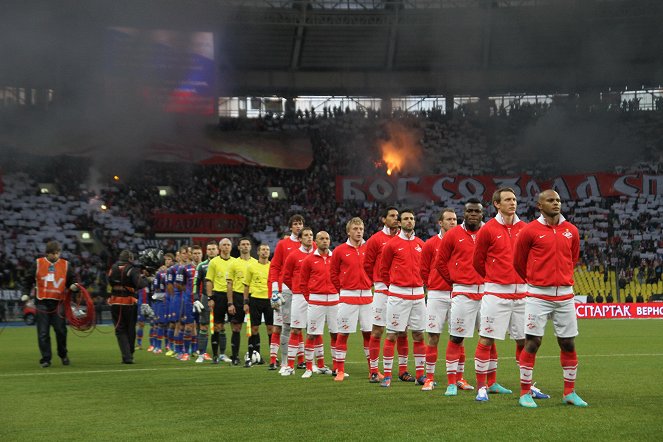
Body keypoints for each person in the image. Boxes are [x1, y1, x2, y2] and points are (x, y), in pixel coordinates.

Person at [472, 187, 549, 402]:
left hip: (523, 295)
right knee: (486, 339)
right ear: (497, 204)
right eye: (507, 199)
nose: (512, 203)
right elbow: (478, 262)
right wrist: (496, 278)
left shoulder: (526, 229)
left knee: (524, 341)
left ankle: (528, 385)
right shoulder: (487, 229)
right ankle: (481, 387)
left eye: (514, 199)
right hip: (496, 293)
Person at [513, 189, 588, 408]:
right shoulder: (529, 231)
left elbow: (572, 258)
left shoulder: (571, 230)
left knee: (568, 342)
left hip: (565, 295)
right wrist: (536, 280)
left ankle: (569, 392)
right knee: (533, 342)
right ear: (539, 205)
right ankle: (525, 393)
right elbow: (519, 262)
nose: (556, 203)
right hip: (537, 295)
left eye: (558, 200)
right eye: (550, 200)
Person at [435, 198, 485, 397]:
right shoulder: (453, 234)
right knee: (456, 337)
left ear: (482, 213)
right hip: (463, 291)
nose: (473, 214)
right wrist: (454, 281)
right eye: (470, 211)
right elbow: (440, 263)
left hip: (487, 291)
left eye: (477, 211)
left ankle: (491, 383)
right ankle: (451, 383)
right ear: (464, 213)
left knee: (489, 337)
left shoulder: (488, 232)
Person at [378, 209, 426, 388]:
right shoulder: (392, 244)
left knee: (419, 334)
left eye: (412, 219)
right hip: (398, 295)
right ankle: (388, 375)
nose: (409, 221)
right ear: (399, 222)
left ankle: (420, 375)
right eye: (405, 219)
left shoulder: (421, 243)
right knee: (392, 334)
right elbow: (384, 270)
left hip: (419, 295)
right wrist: (395, 285)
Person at [364, 206, 407, 383]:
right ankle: (374, 371)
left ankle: (403, 371)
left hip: (400, 289)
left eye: (397, 216)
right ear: (383, 219)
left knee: (402, 331)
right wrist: (377, 281)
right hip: (382, 290)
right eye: (391, 216)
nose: (396, 218)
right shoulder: (375, 240)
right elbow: (367, 265)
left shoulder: (405, 238)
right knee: (377, 330)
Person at [330, 217, 373, 382]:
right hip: (348, 296)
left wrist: (370, 283)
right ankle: (340, 371)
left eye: (361, 228)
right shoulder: (340, 250)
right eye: (355, 229)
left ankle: (373, 370)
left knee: (369, 334)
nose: (358, 231)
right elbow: (333, 274)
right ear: (348, 231)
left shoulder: (369, 248)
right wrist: (342, 288)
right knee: (343, 334)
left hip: (368, 296)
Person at [419, 208, 457, 391]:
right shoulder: (430, 244)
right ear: (440, 223)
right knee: (433, 336)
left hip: (458, 294)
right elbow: (424, 270)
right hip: (437, 295)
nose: (453, 222)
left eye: (455, 219)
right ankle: (429, 378)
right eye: (449, 219)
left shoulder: (461, 242)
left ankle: (459, 378)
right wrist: (432, 285)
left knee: (458, 337)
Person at [25, 240, 77, 368]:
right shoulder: (38, 263)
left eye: (57, 253)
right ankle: (46, 358)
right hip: (42, 302)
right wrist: (25, 293)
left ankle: (63, 354)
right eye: (53, 254)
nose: (55, 256)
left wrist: (73, 286)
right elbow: (27, 279)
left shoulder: (66, 265)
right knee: (43, 333)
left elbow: (72, 280)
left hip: (58, 303)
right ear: (47, 254)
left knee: (61, 331)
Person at [267, 214, 305, 370]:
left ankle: (301, 360)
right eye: (295, 224)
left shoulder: (309, 245)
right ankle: (274, 360)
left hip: (302, 291)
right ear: (291, 227)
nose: (298, 226)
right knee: (279, 326)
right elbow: (275, 267)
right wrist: (274, 290)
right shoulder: (283, 244)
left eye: (300, 224)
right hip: (285, 291)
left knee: (299, 325)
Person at [299, 231, 338, 379]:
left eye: (327, 238)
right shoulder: (309, 260)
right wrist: (311, 299)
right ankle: (309, 368)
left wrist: (338, 294)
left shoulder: (336, 258)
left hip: (334, 300)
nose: (325, 241)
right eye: (321, 238)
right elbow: (303, 283)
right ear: (316, 241)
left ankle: (337, 368)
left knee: (336, 334)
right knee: (311, 334)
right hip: (316, 300)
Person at [280, 226, 314, 376]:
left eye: (311, 235)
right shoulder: (293, 255)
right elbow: (286, 277)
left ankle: (312, 365)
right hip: (299, 296)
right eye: (306, 235)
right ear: (300, 239)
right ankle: (289, 365)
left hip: (315, 296)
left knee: (314, 331)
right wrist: (296, 288)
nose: (309, 237)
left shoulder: (318, 254)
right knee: (295, 329)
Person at [107, 249, 151, 364]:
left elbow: (109, 282)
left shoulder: (113, 268)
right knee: (130, 329)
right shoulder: (132, 269)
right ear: (130, 259)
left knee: (120, 330)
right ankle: (129, 354)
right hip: (129, 302)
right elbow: (140, 284)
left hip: (115, 302)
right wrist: (146, 279)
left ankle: (126, 355)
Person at [205, 238, 235, 363]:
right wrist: (210, 298)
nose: (226, 247)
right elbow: (209, 281)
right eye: (224, 245)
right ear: (220, 247)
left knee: (235, 326)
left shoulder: (235, 262)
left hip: (233, 296)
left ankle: (233, 355)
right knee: (218, 326)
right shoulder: (214, 262)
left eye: (228, 245)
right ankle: (216, 355)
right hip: (218, 296)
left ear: (231, 247)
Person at [227, 238, 256, 365]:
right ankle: (235, 356)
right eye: (243, 244)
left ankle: (255, 356)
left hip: (253, 297)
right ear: (238, 247)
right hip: (238, 297)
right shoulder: (233, 263)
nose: (245, 246)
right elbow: (229, 285)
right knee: (237, 327)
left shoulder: (256, 263)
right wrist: (230, 303)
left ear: (250, 247)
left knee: (254, 328)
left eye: (247, 244)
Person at [242, 243, 271, 367]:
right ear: (258, 252)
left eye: (267, 250)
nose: (265, 252)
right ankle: (251, 355)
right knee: (254, 329)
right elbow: (246, 285)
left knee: (271, 330)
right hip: (255, 299)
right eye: (263, 250)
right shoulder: (251, 267)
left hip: (269, 300)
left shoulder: (273, 266)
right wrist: (246, 302)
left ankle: (273, 358)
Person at [193, 241, 218, 363]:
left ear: (217, 250)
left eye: (213, 249)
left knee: (220, 326)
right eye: (209, 249)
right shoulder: (201, 266)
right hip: (205, 298)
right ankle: (201, 354)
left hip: (220, 297)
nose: (211, 251)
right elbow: (196, 283)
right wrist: (196, 299)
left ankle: (221, 354)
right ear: (206, 251)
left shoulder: (224, 264)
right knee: (203, 325)